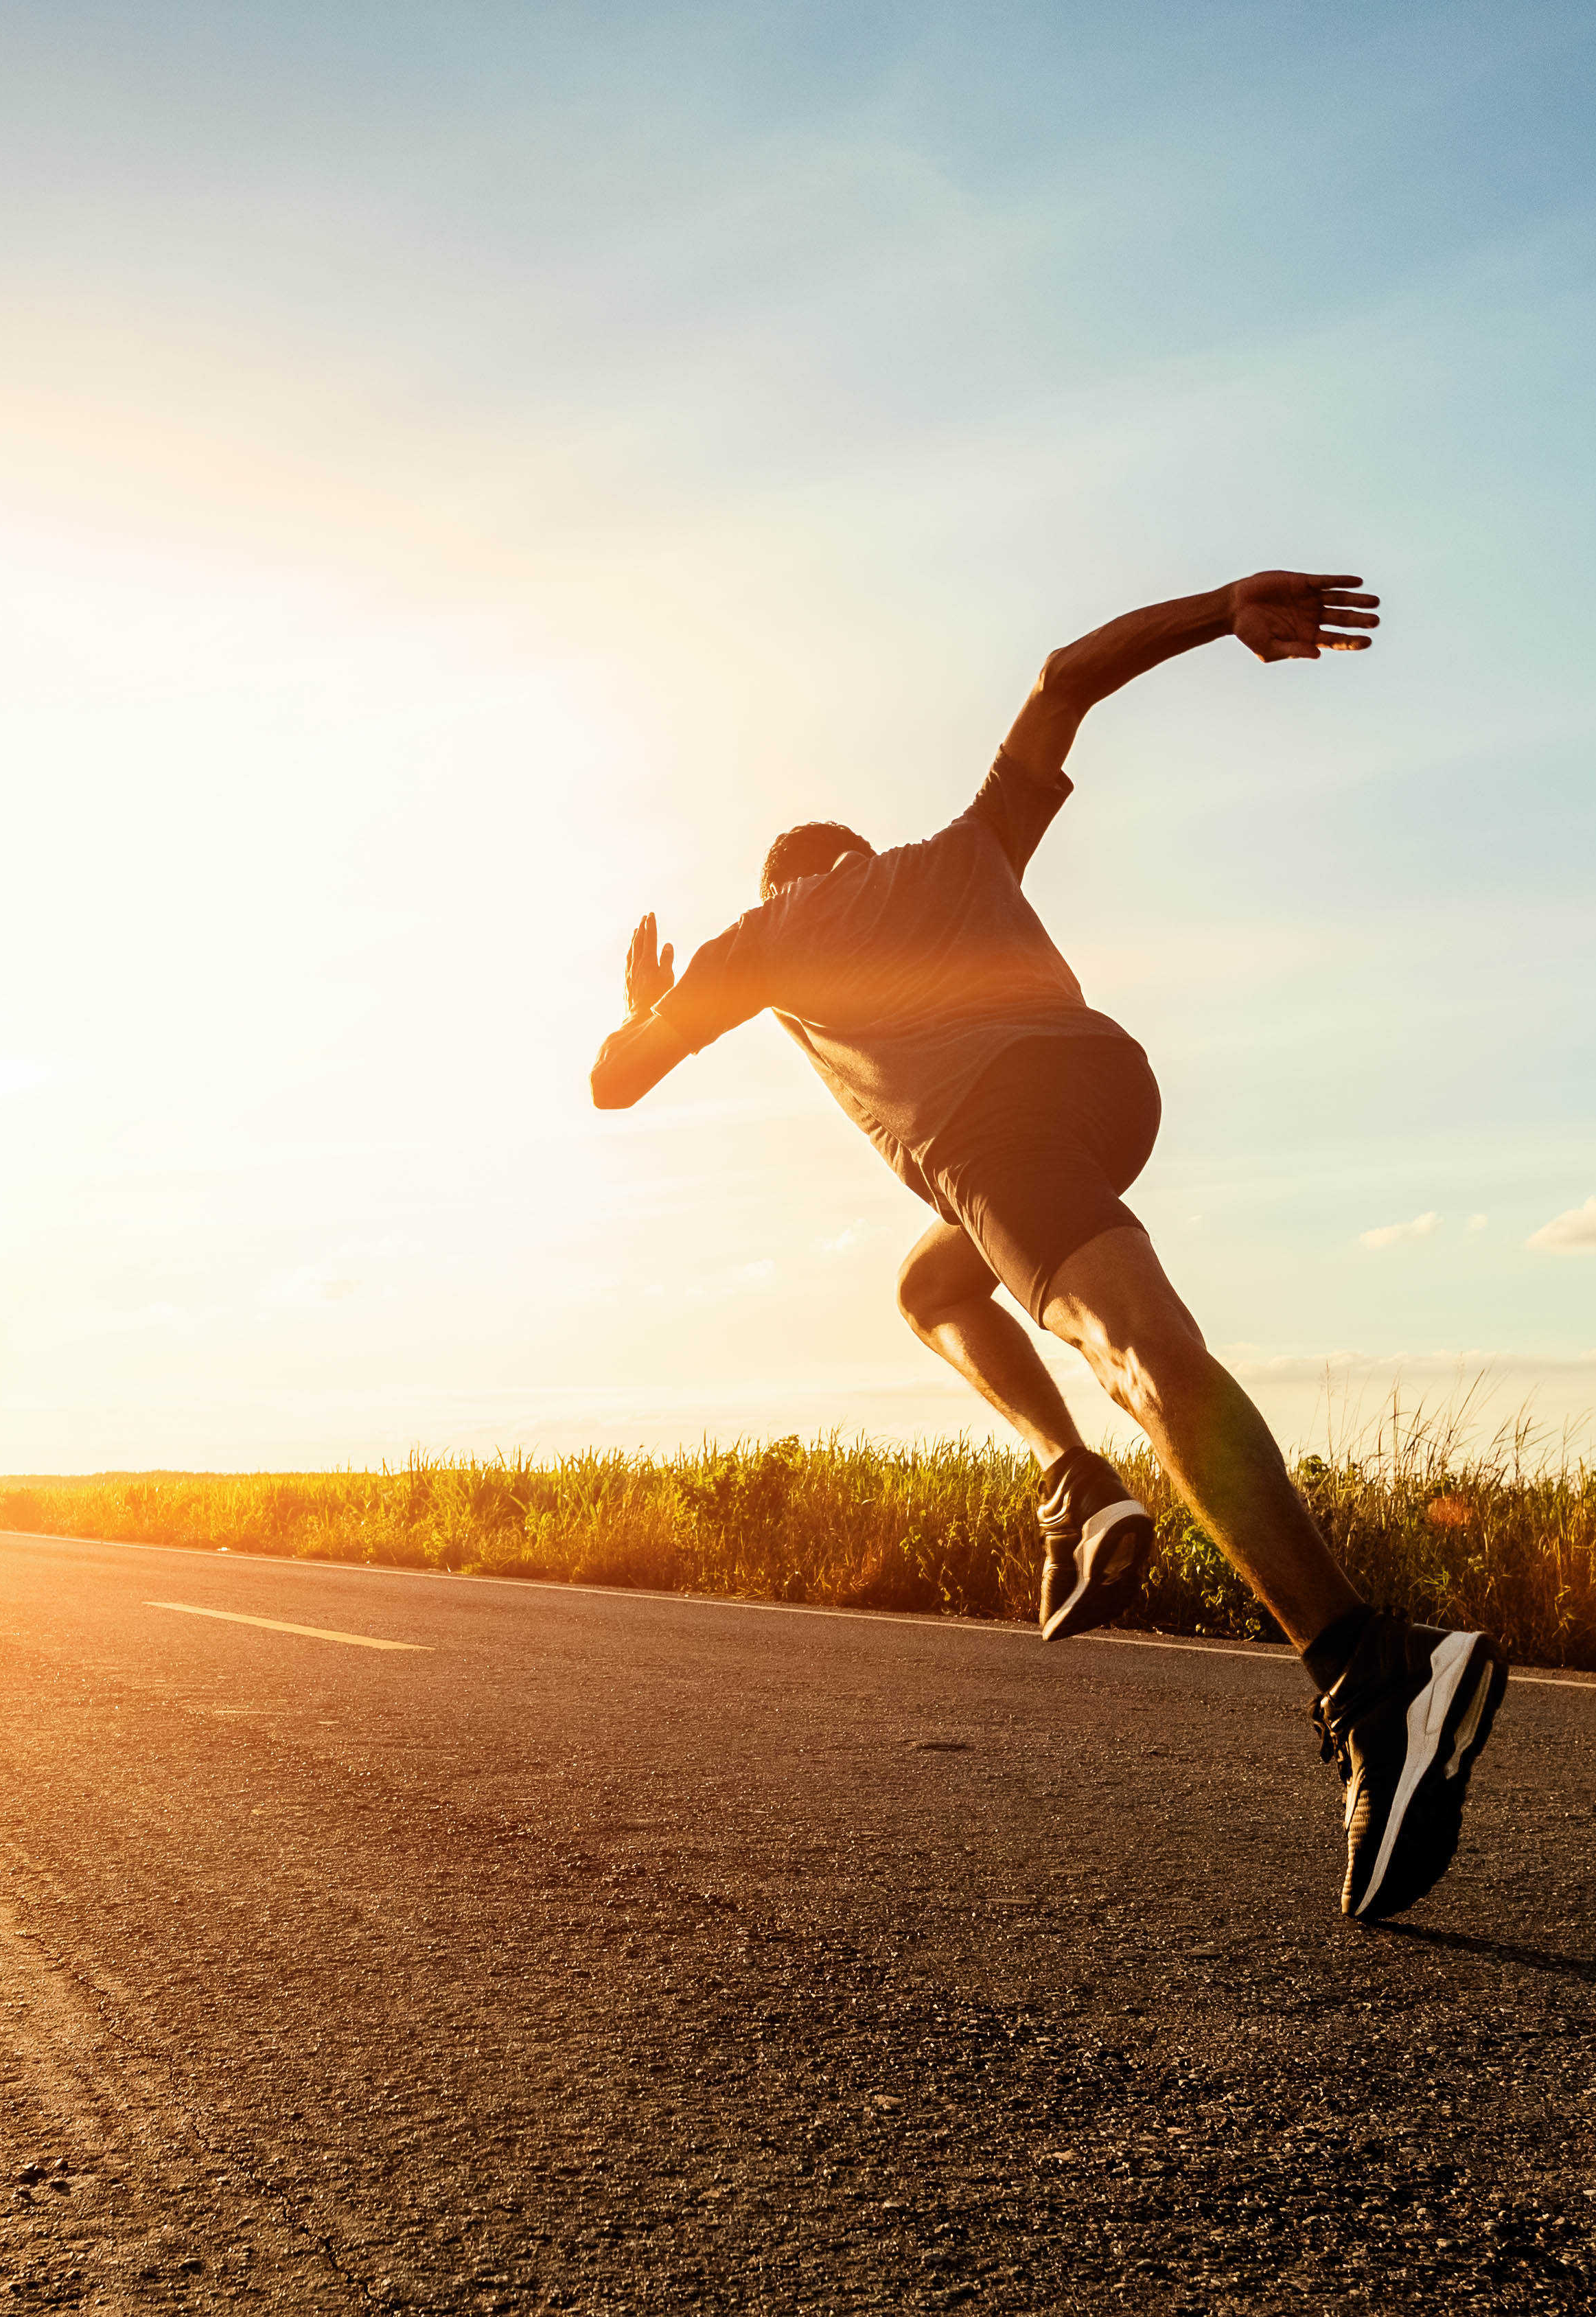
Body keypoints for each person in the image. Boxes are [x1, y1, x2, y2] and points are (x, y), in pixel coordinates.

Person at [586, 568, 1505, 1921]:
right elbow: (1067, 674)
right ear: (860, 856)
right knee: (934, 1278)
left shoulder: (761, 935)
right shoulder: (962, 851)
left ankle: (1369, 1666)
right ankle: (1076, 1481)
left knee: (1141, 1352)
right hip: (1104, 1087)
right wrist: (1228, 607)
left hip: (990, 1132)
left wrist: (649, 1006)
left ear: (783, 883)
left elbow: (616, 1084)